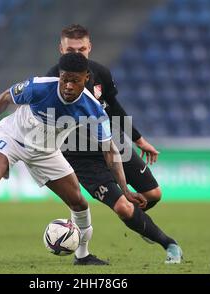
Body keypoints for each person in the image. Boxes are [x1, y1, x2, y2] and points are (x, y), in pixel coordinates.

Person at [0, 53, 143, 265]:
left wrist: (125, 190)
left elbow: (110, 151)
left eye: (75, 81)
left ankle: (83, 255)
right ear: (60, 75)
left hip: (46, 153)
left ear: (85, 78)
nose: (68, 85)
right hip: (12, 138)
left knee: (79, 203)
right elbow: (6, 97)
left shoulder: (92, 109)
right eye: (65, 79)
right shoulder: (40, 87)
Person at [46, 24, 182, 263]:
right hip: (81, 157)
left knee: (153, 194)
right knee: (123, 207)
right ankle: (170, 244)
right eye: (70, 50)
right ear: (61, 49)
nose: (76, 55)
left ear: (89, 48)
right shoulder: (50, 81)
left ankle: (141, 225)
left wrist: (140, 140)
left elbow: (115, 110)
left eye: (81, 49)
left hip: (112, 144)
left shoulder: (100, 73)